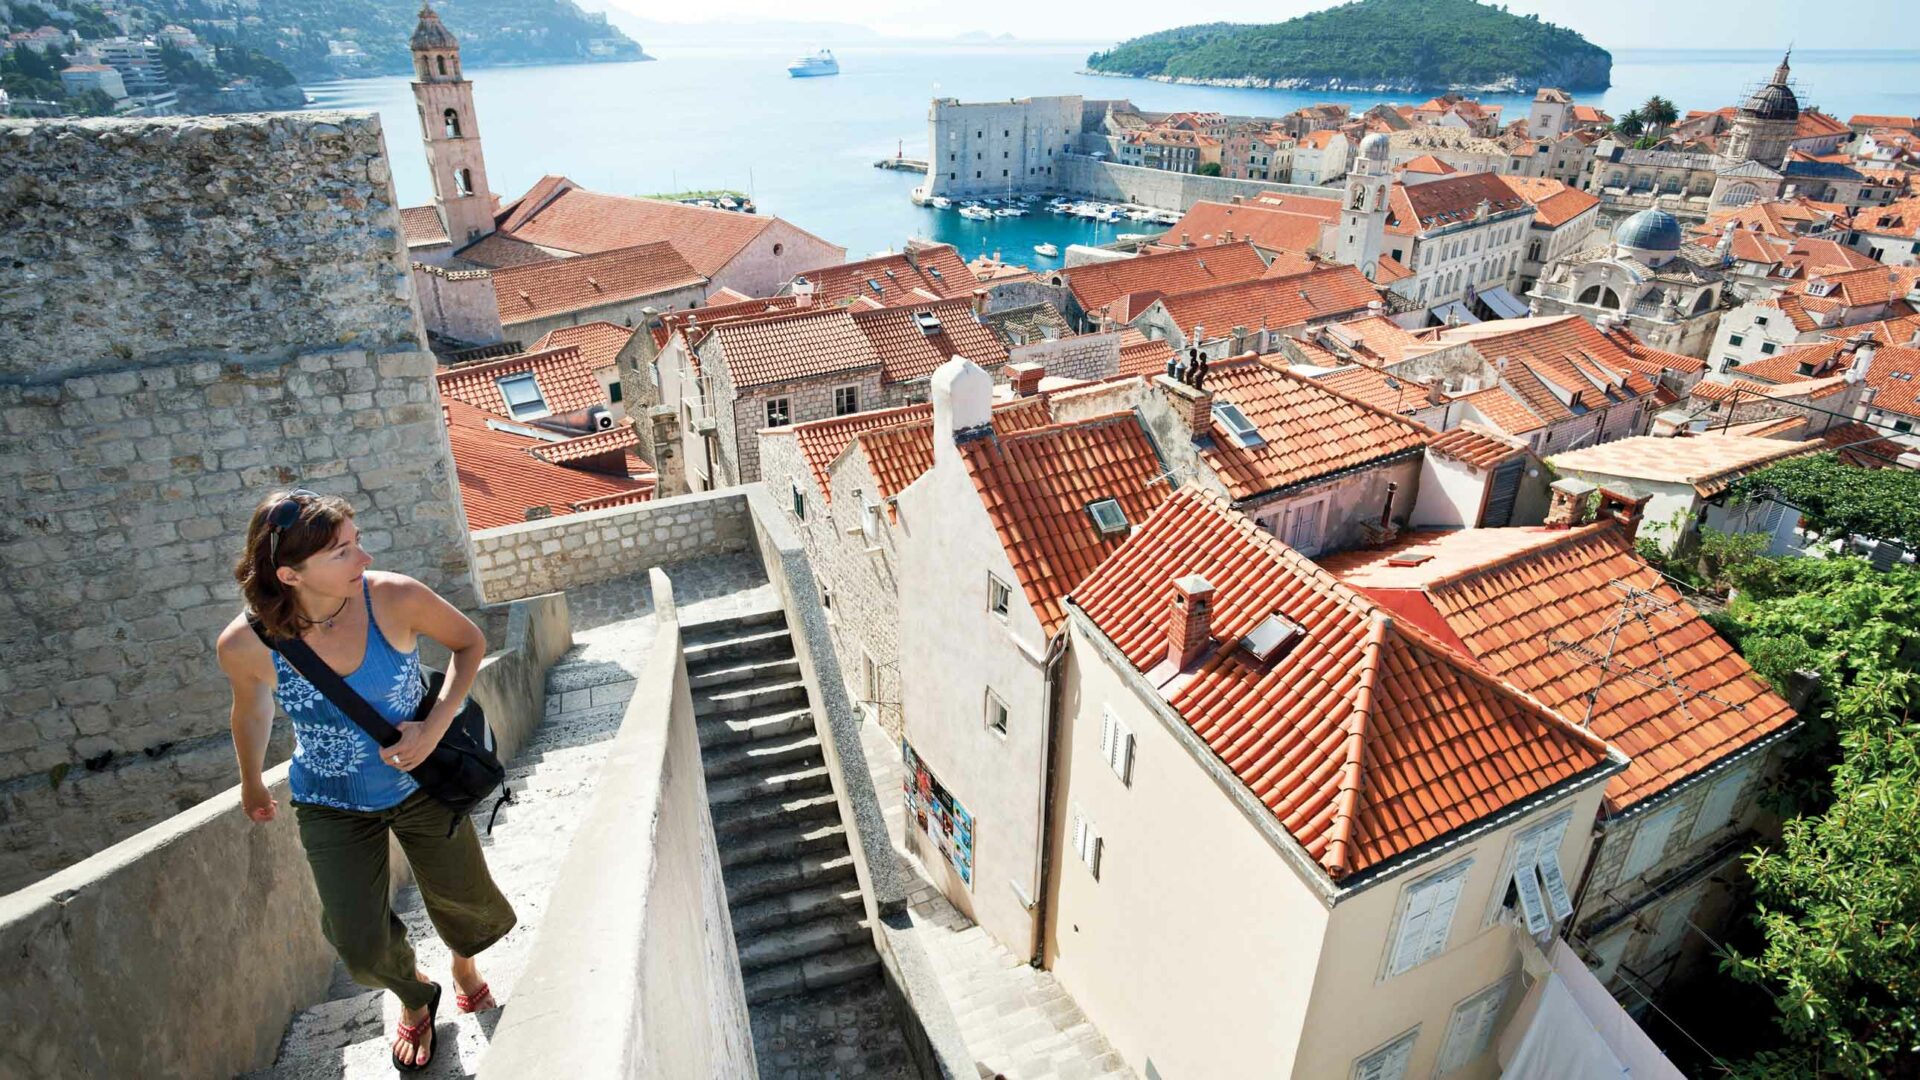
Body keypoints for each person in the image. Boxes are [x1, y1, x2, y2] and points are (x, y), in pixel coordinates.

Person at [217, 489, 514, 1072]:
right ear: (289, 574)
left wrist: (433, 726)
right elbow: (251, 710)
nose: (365, 559)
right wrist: (251, 781)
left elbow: (468, 643)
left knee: (466, 903)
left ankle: (464, 965)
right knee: (357, 942)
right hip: (329, 800)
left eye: (357, 543)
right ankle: (414, 994)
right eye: (342, 553)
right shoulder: (245, 645)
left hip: (421, 785)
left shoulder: (394, 598)